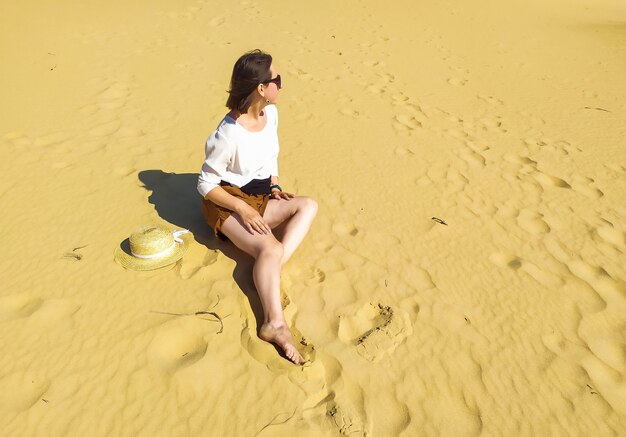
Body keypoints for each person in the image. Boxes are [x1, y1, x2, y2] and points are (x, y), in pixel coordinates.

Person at [197, 49, 318, 365]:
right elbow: (205, 185)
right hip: (227, 203)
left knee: (307, 206)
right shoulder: (227, 134)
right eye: (276, 79)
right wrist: (243, 209)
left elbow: (270, 154)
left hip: (261, 196)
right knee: (271, 249)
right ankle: (273, 324)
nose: (281, 84)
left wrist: (274, 184)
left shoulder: (271, 114)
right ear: (261, 89)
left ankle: (268, 269)